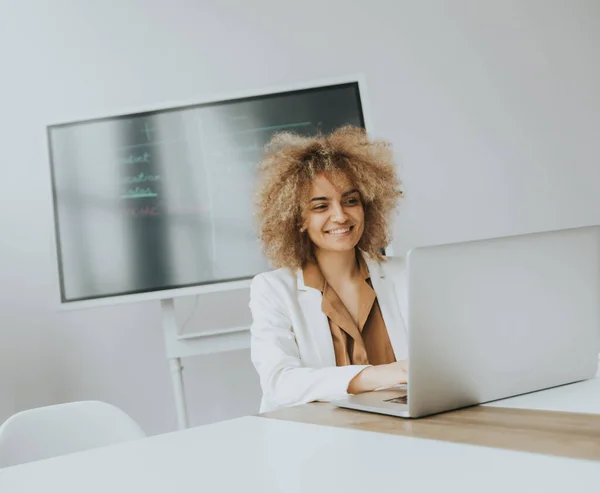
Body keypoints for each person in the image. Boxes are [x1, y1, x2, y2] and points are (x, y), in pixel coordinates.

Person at [250, 126, 409, 413]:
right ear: (297, 218)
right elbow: (279, 383)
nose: (340, 216)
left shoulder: (407, 274)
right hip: (318, 438)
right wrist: (375, 375)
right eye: (321, 206)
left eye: (351, 201)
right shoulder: (272, 289)